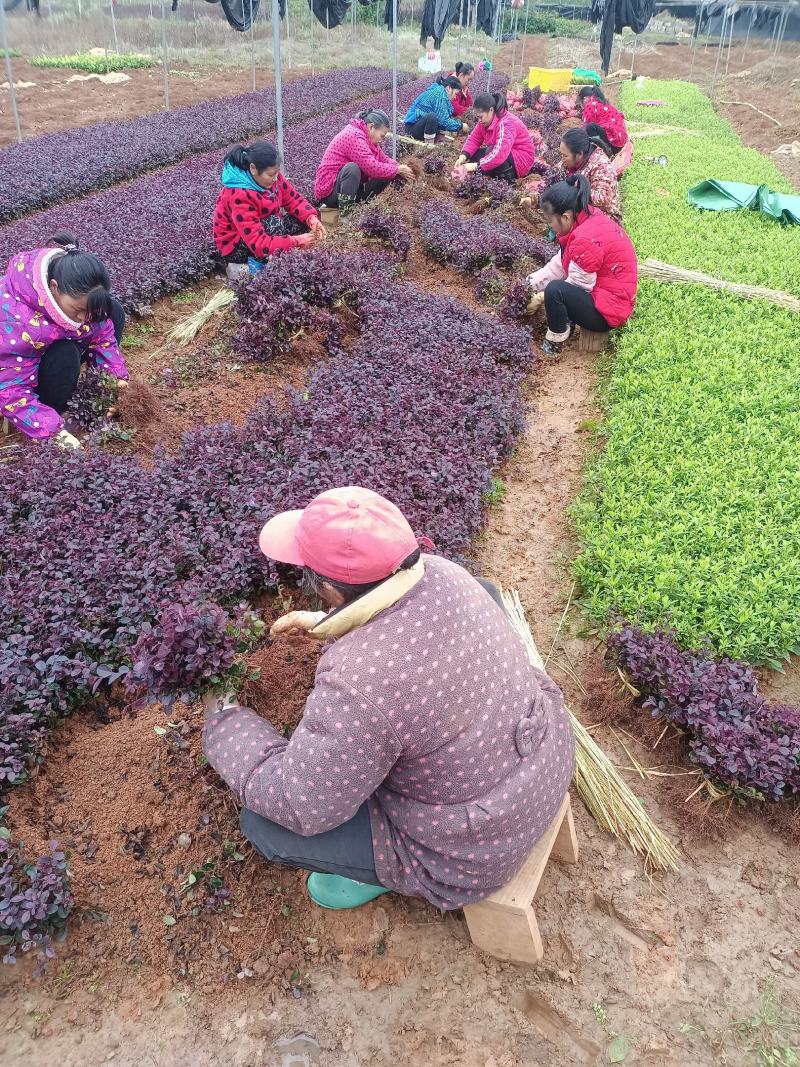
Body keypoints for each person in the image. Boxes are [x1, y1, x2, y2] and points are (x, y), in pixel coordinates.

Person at [202, 486, 575, 912]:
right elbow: (407, 635)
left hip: (476, 849)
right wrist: (333, 623)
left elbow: (300, 802)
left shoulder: (361, 683)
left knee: (265, 823)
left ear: (328, 588)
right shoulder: (446, 573)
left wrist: (224, 718)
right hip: (547, 762)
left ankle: (397, 872)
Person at [0, 232, 128, 449]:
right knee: (65, 353)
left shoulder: (80, 303)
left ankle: (90, 388)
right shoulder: (14, 320)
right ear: (54, 287)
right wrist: (51, 430)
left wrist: (114, 381)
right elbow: (10, 388)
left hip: (50, 347)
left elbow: (102, 335)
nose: (83, 318)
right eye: (78, 309)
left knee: (111, 311)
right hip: (16, 373)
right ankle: (55, 407)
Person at [526, 175, 637, 355]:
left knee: (555, 291)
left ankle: (555, 342)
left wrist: (541, 296)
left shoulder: (585, 240)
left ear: (566, 216)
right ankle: (566, 324)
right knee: (557, 289)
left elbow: (579, 285)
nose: (550, 227)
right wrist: (529, 284)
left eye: (550, 221)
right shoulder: (586, 219)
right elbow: (560, 264)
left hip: (610, 311)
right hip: (609, 296)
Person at [212, 140, 325, 276]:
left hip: (263, 231)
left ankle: (280, 256)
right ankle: (249, 268)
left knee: (299, 220)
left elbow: (293, 199)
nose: (275, 178)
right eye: (271, 175)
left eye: (277, 173)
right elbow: (259, 243)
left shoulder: (273, 178)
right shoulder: (238, 194)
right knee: (274, 224)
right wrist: (296, 241)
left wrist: (311, 218)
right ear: (253, 169)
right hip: (236, 246)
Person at [314, 109, 416, 216]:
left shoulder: (367, 137)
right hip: (330, 192)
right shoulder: (354, 136)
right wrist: (397, 169)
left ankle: (360, 209)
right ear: (371, 127)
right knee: (352, 169)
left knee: (387, 173)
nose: (382, 139)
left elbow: (383, 159)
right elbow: (371, 166)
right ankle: (345, 214)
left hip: (350, 188)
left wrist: (399, 167)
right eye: (382, 135)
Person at [455, 91, 536, 183]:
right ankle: (489, 177)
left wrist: (476, 166)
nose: (479, 120)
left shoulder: (506, 123)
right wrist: (463, 156)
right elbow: (474, 139)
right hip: (507, 155)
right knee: (474, 154)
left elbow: (499, 154)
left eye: (481, 117)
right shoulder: (484, 122)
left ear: (491, 110)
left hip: (521, 160)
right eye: (478, 117)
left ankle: (507, 182)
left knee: (491, 152)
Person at [559, 127, 621, 222]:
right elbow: (555, 177)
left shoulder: (601, 166)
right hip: (582, 211)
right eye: (561, 155)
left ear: (579, 154)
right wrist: (535, 199)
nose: (562, 159)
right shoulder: (571, 161)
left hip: (604, 218)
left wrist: (573, 192)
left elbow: (603, 197)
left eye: (565, 155)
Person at [403, 76, 469, 143]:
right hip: (412, 128)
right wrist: (461, 126)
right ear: (449, 88)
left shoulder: (442, 94)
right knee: (432, 117)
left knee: (441, 116)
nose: (455, 97)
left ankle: (439, 142)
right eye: (456, 94)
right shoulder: (439, 94)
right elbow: (444, 121)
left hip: (421, 126)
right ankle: (429, 146)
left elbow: (444, 117)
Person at [577, 86, 629, 156]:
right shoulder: (602, 103)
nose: (582, 104)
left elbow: (585, 127)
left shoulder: (590, 104)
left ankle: (602, 152)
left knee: (590, 127)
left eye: (582, 101)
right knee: (593, 127)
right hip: (619, 141)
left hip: (614, 144)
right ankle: (606, 148)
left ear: (585, 98)